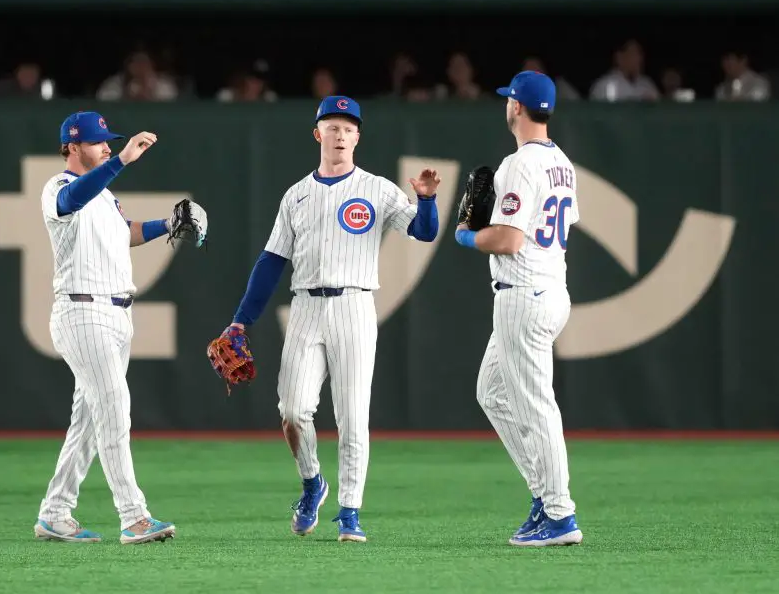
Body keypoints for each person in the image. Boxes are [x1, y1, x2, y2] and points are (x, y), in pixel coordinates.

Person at [219, 96, 440, 542]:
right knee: (293, 412)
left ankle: (351, 512)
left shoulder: (377, 188)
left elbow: (423, 231)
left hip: (355, 306)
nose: (340, 134)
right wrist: (241, 321)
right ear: (317, 134)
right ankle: (312, 482)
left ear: (358, 137)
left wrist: (427, 200)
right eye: (332, 126)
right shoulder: (296, 194)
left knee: (353, 418)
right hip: (305, 307)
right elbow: (271, 262)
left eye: (349, 127)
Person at [34, 111, 189, 545]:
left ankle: (55, 512)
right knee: (114, 406)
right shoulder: (59, 187)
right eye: (98, 141)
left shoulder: (104, 194)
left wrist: (168, 225)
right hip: (82, 311)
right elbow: (72, 201)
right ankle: (134, 516)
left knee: (88, 418)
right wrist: (119, 160)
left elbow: (126, 232)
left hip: (117, 313)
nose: (105, 145)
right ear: (71, 145)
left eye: (109, 141)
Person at [454, 71, 583, 546]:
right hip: (551, 290)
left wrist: (466, 235)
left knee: (536, 407)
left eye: (509, 98)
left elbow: (507, 240)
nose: (506, 104)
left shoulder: (519, 164)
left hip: (522, 295)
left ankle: (560, 515)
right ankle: (543, 494)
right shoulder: (563, 163)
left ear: (516, 107)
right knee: (491, 391)